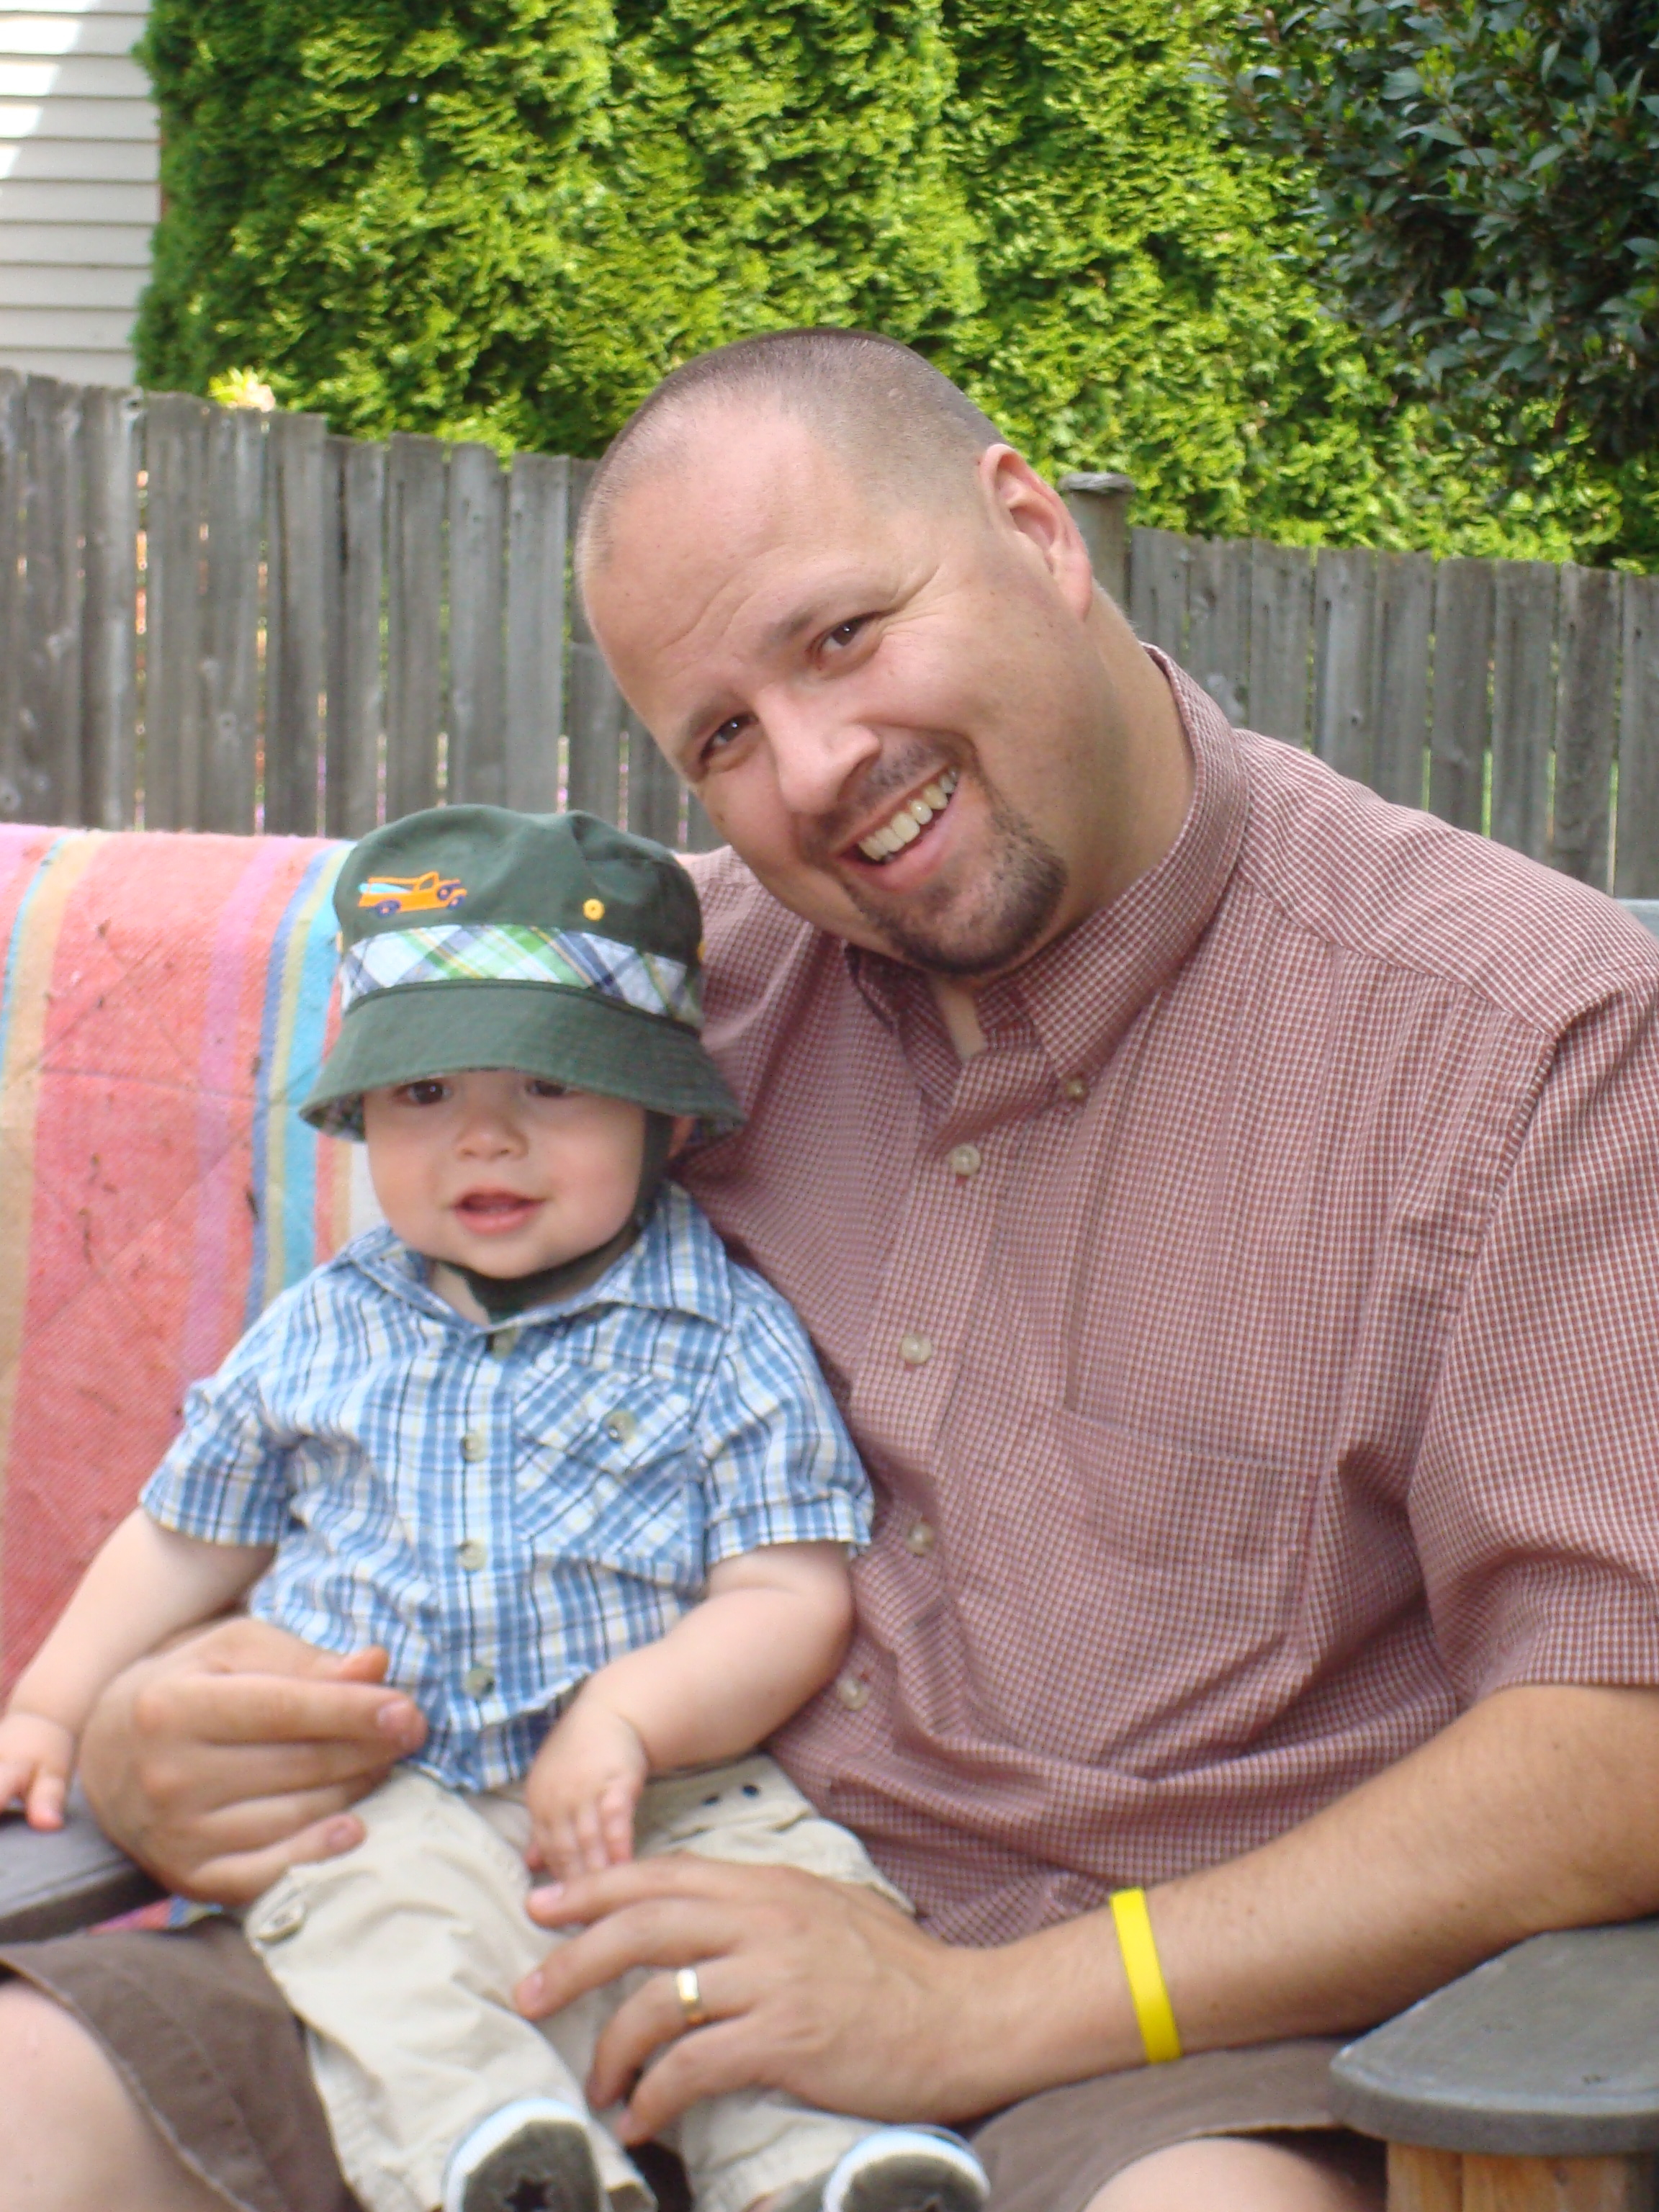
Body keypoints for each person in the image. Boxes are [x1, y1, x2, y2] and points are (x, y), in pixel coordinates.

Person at [6, 327, 1659, 2212]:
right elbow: (356, 1451)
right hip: (527, 1934)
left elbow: (1617, 1750)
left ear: (1034, 528)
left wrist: (978, 2013)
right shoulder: (633, 1035)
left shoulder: (1523, 1040)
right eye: (719, 736)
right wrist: (148, 1748)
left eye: (844, 637)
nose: (812, 770)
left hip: (1138, 2045)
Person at [0, 803, 989, 2212]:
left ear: (662, 1117)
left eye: (549, 1086)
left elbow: (788, 1591)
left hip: (671, 1791)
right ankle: (503, 2160)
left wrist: (631, 1717)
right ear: (359, 1116)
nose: (485, 1139)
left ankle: (828, 2168)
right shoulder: (325, 1328)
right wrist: (50, 1707)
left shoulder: (721, 1329)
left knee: (773, 1926)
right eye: (423, 1094)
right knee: (367, 1939)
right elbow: (186, 1533)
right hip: (389, 1791)